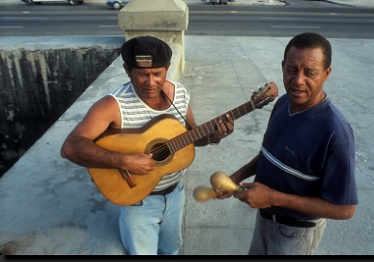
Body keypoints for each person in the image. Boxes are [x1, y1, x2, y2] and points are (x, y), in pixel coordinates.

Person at [60, 35, 234, 255]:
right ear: (127, 70)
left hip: (175, 194)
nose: (150, 83)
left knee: (171, 249)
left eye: (157, 74)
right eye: (142, 74)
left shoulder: (179, 94)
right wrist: (124, 160)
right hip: (138, 203)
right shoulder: (112, 105)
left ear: (168, 68)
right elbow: (70, 147)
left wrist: (213, 136)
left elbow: (192, 136)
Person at [216, 32, 358, 255]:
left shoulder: (335, 131)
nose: (298, 80)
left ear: (326, 73)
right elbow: (269, 155)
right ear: (283, 66)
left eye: (310, 72)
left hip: (296, 235)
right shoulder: (283, 103)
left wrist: (272, 197)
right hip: (264, 221)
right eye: (291, 70)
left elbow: (346, 209)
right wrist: (236, 177)